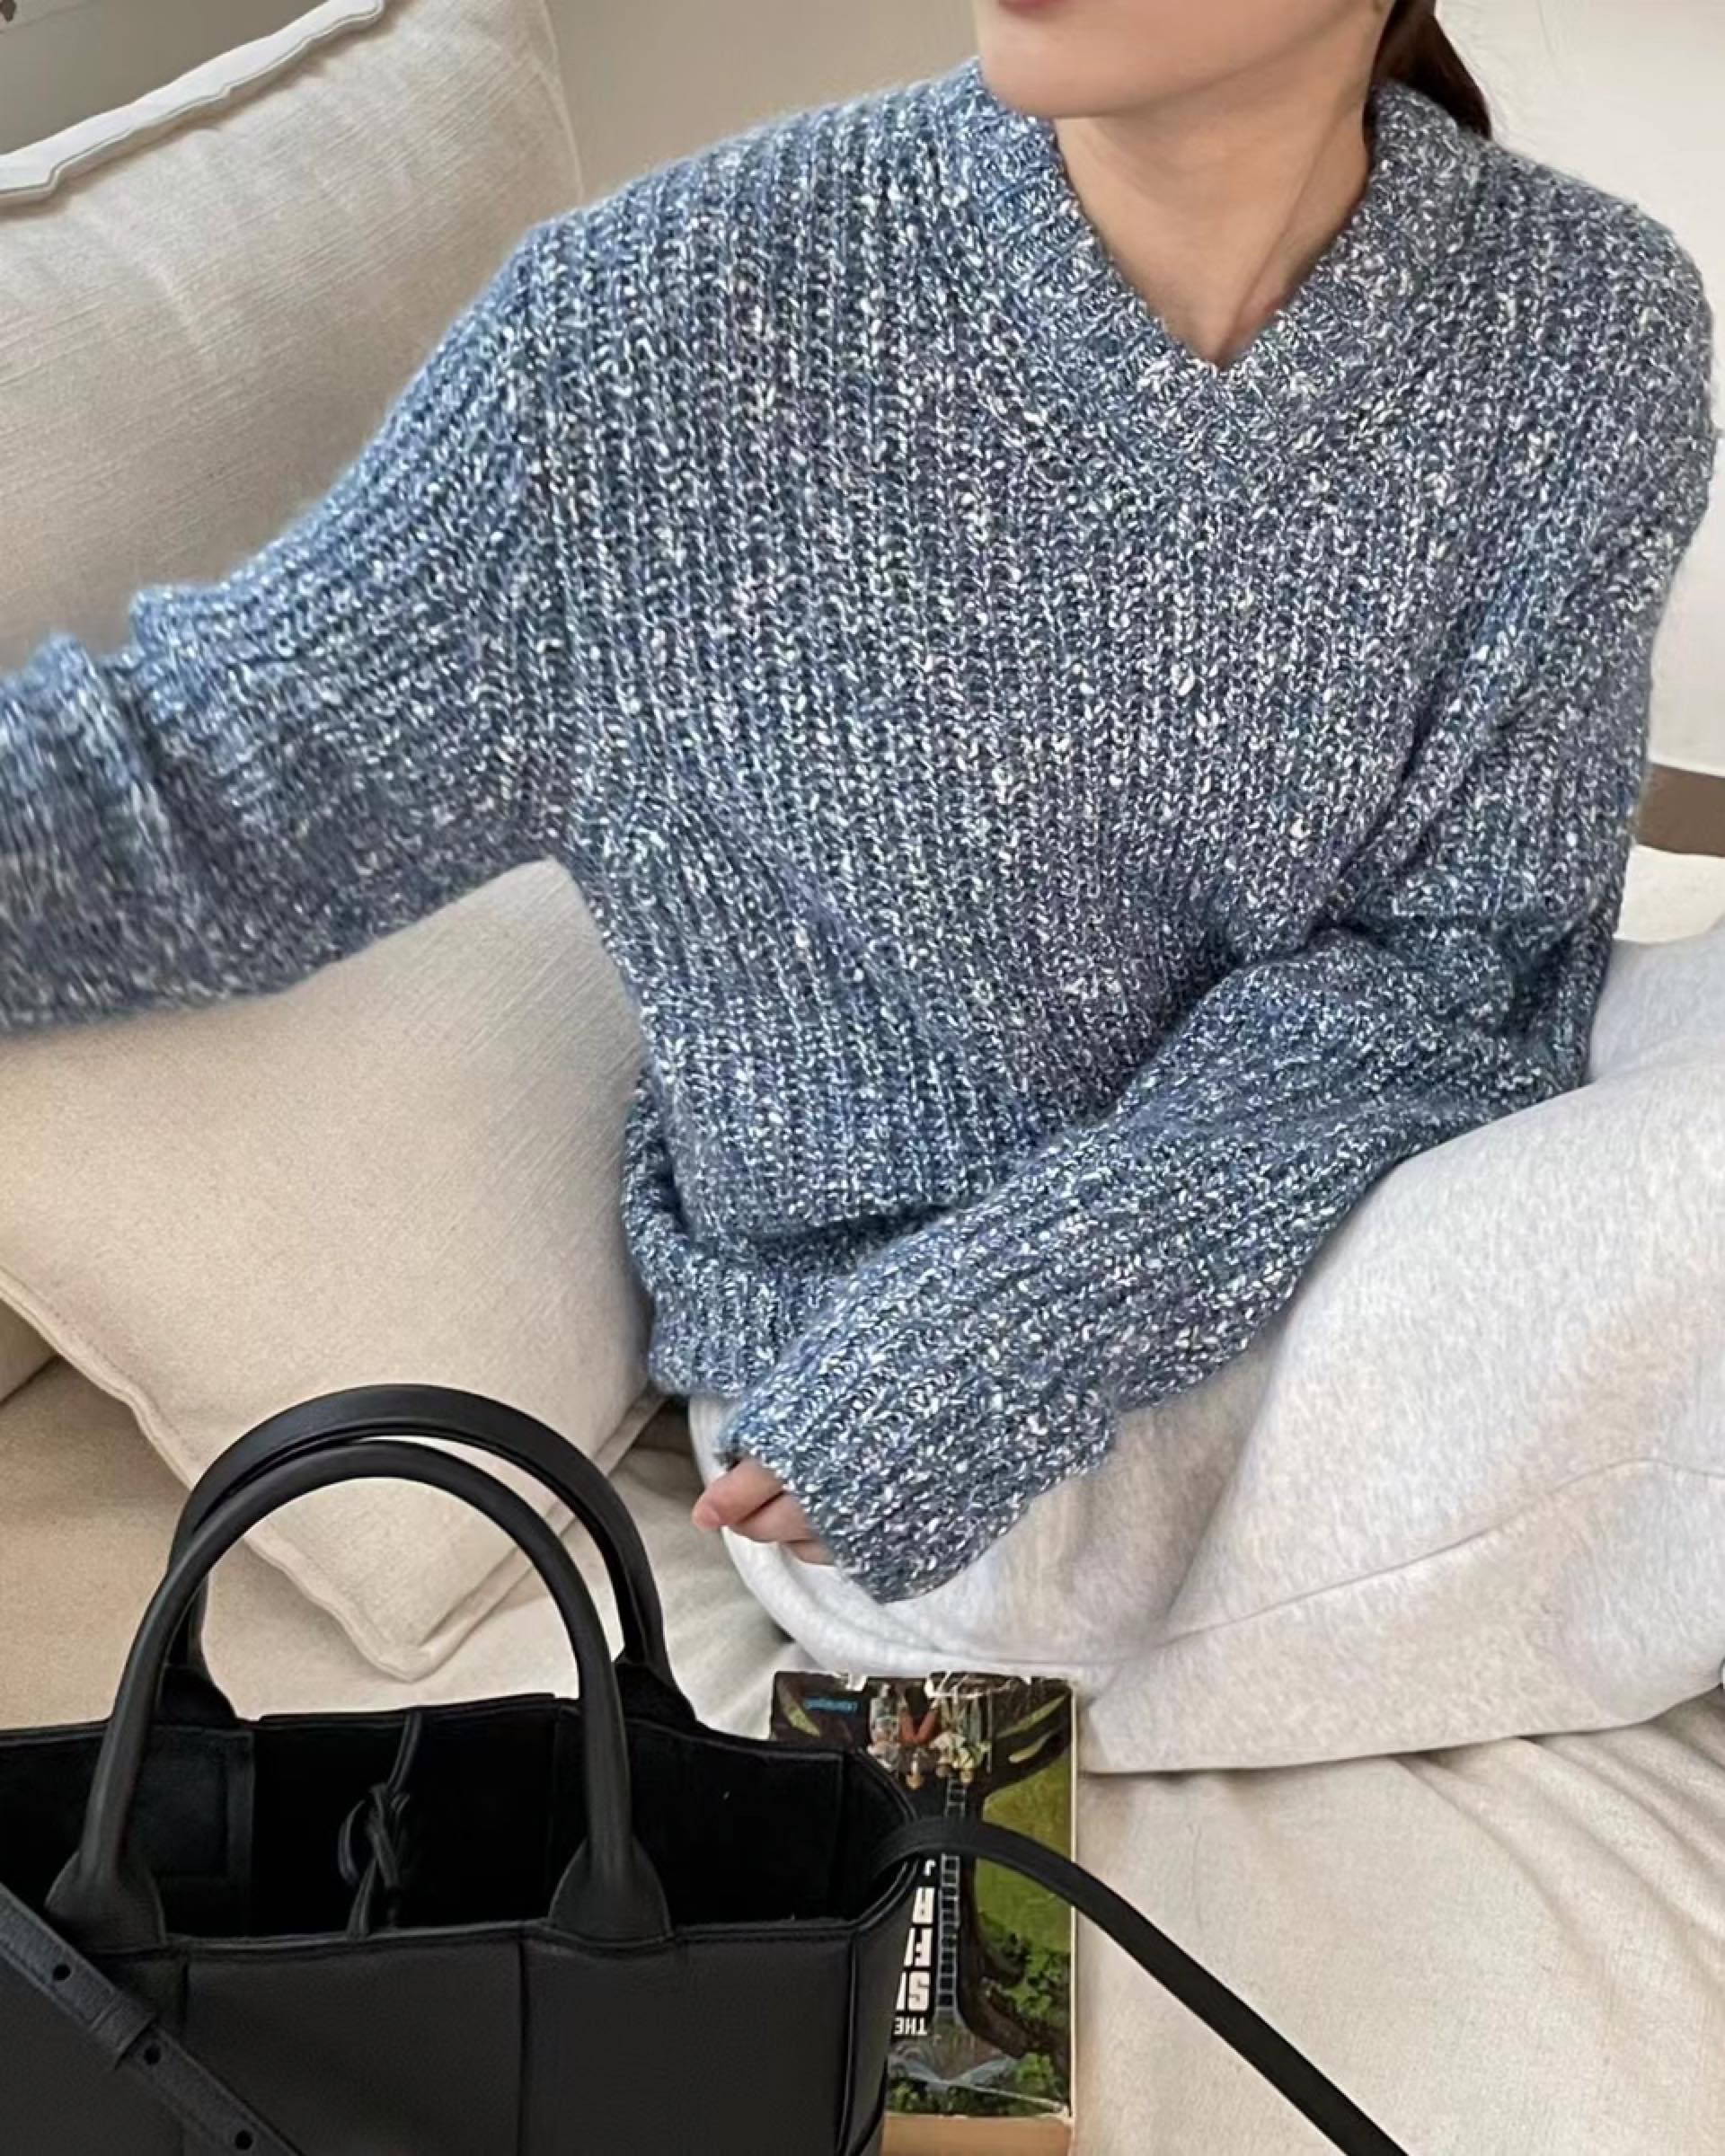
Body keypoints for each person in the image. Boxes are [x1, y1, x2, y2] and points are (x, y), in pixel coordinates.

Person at [0, 3, 1715, 1607]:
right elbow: (204, 786)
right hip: (891, 1418)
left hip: (1318, 1220)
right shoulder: (648, 338)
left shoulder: (1593, 328)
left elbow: (1468, 967)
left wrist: (1045, 1303)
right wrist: (967, 1358)